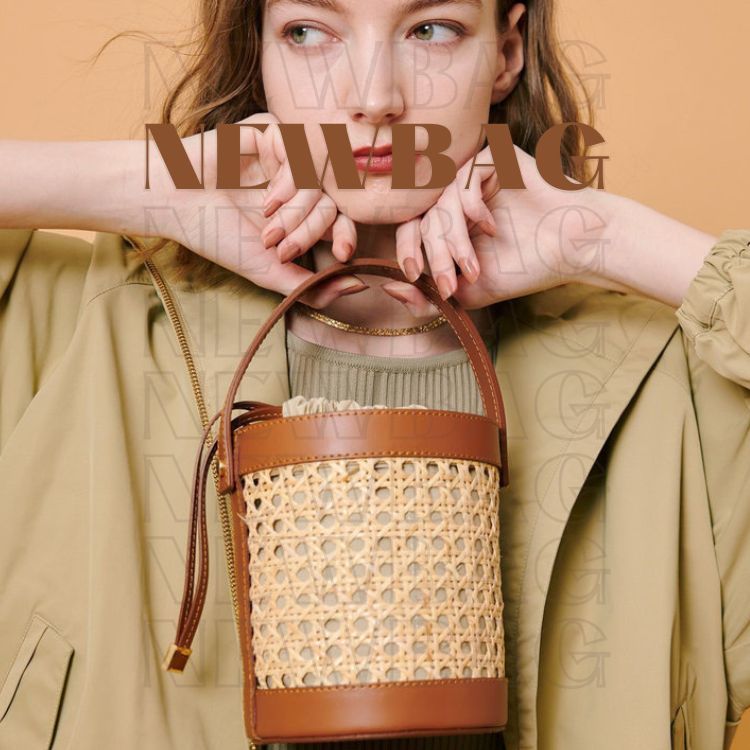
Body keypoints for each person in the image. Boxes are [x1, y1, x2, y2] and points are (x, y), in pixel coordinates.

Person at [0, 0, 748, 748]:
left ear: (506, 53)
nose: (374, 98)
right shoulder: (92, 318)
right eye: (308, 32)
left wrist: (600, 235)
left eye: (431, 29)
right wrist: (155, 182)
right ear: (259, 50)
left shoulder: (665, 377)